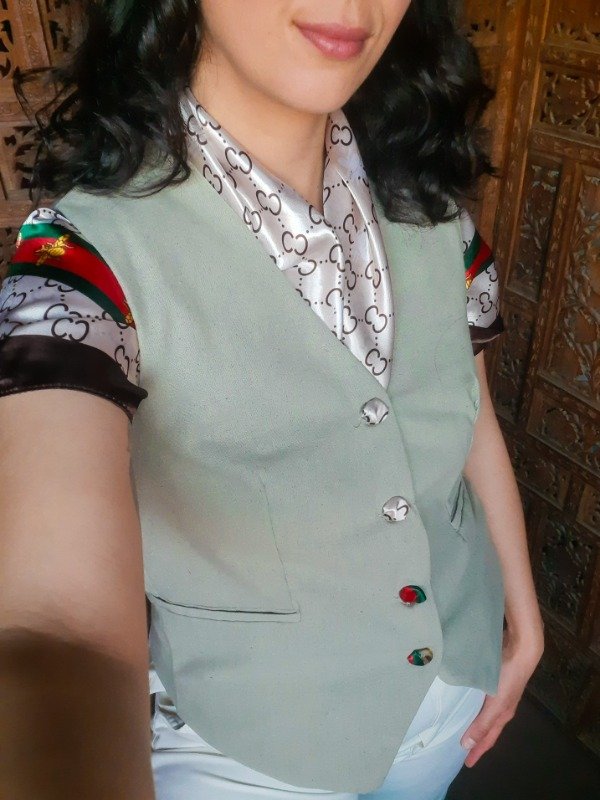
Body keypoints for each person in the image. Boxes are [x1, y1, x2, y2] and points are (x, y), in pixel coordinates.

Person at [0, 1, 544, 799]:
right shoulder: (79, 263)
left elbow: (471, 419)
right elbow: (57, 624)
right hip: (246, 753)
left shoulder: (431, 207)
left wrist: (523, 613)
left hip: (451, 694)